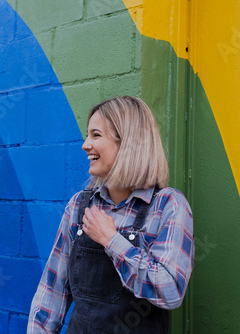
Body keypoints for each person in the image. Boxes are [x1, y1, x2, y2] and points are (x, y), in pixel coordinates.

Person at [28, 96, 194, 333]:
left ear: (128, 143)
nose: (85, 144)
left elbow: (170, 290)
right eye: (88, 135)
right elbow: (51, 293)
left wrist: (111, 240)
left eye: (96, 135)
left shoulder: (168, 205)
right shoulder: (79, 205)